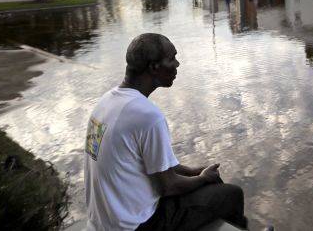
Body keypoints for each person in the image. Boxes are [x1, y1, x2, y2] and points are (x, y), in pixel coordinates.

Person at [84, 33, 247, 230]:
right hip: (138, 226)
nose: (177, 64)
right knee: (232, 194)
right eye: (172, 59)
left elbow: (158, 167)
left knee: (209, 183)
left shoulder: (107, 101)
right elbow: (168, 186)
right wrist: (202, 178)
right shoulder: (147, 116)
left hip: (105, 222)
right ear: (154, 67)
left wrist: (194, 172)